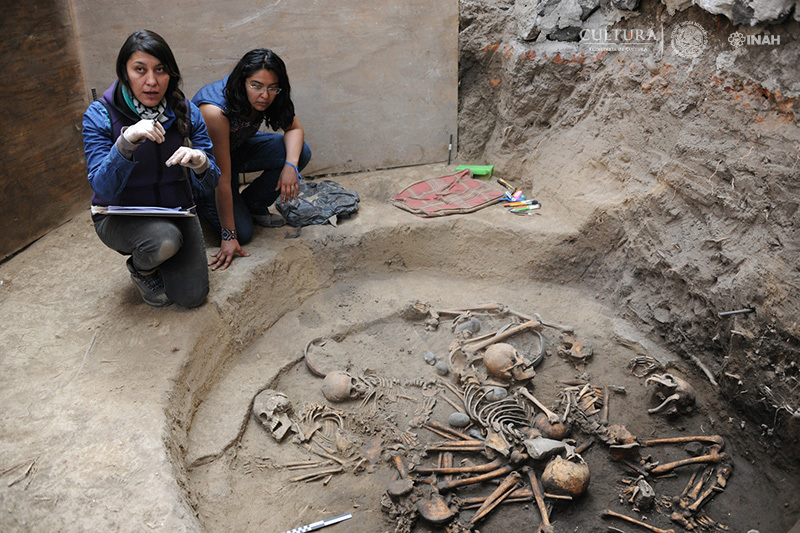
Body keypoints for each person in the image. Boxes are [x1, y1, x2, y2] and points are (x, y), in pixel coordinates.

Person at [82, 30, 220, 308]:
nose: (151, 81)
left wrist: (201, 162)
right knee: (164, 240)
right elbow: (102, 187)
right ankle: (142, 268)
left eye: (160, 70)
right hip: (119, 217)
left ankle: (164, 257)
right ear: (124, 72)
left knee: (192, 297)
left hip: (177, 212)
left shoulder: (187, 110)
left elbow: (211, 182)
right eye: (139, 70)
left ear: (171, 75)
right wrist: (126, 141)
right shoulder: (99, 114)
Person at [192, 48, 311, 270]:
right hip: (206, 172)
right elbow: (222, 179)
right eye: (256, 86)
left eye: (272, 88)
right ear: (242, 81)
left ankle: (253, 204)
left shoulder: (272, 94)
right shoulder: (214, 111)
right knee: (243, 233)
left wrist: (290, 166)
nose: (265, 96)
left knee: (299, 152)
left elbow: (294, 129)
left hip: (237, 150)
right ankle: (200, 204)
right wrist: (228, 235)